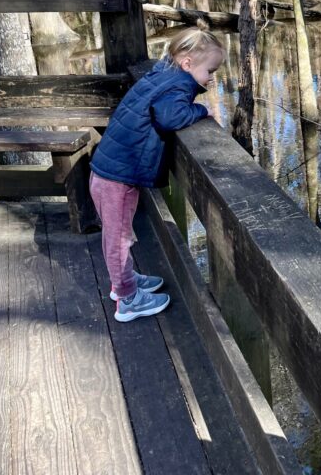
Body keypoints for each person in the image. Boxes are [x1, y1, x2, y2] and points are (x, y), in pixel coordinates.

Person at [90, 26, 224, 322]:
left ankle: (125, 280)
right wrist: (202, 112)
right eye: (210, 70)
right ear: (187, 64)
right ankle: (126, 299)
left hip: (110, 167)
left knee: (118, 234)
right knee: (119, 238)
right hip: (118, 175)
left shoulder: (163, 75)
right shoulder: (179, 86)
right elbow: (170, 117)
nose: (212, 78)